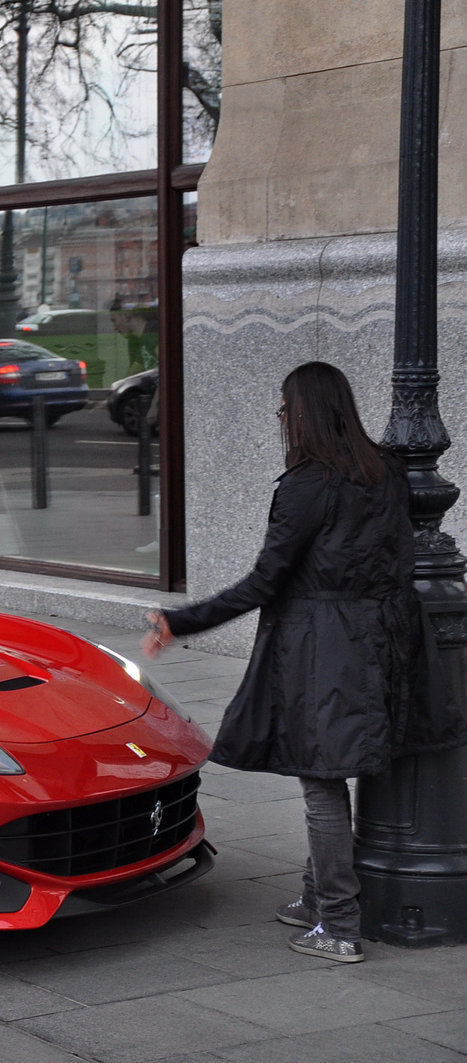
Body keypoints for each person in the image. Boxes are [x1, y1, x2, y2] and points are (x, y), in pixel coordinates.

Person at [143, 361, 466, 964]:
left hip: (326, 647)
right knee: (349, 765)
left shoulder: (306, 485)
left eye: (284, 408)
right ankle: (317, 896)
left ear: (303, 414)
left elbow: (266, 579)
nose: (282, 419)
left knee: (322, 781)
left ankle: (337, 923)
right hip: (387, 638)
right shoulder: (386, 472)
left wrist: (182, 621)